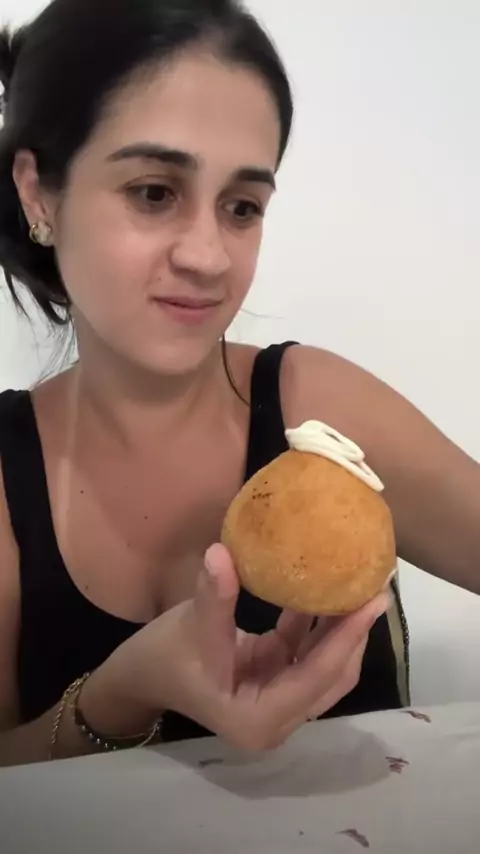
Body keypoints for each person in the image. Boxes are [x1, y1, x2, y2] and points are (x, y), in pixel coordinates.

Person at [0, 0, 477, 770]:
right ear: (38, 194)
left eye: (242, 207)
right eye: (154, 192)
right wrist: (125, 689)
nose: (210, 257)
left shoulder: (318, 409)